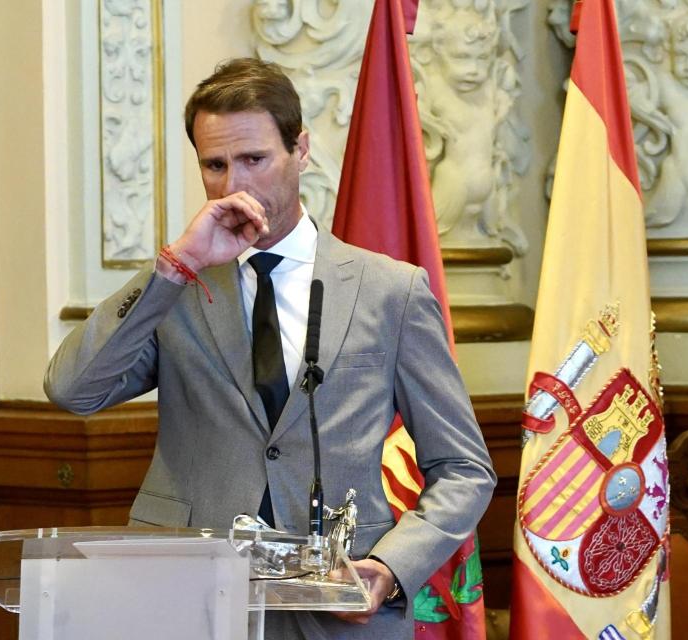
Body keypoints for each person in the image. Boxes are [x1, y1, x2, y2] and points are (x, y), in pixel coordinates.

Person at [45, 57, 495, 640]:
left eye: (254, 159)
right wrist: (176, 266)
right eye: (215, 165)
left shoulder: (391, 291)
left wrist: (391, 565)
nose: (234, 185)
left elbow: (464, 467)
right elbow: (74, 390)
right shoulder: (178, 288)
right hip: (189, 600)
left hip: (339, 601)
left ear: (300, 150)